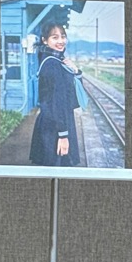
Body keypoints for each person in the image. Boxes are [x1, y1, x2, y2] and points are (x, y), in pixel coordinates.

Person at [28, 22, 82, 166]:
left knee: (52, 167)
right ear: (45, 40)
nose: (61, 41)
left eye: (63, 37)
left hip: (55, 123)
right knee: (57, 167)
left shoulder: (56, 61)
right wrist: (63, 135)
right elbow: (56, 103)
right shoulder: (52, 64)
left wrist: (76, 71)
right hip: (54, 127)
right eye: (55, 37)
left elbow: (72, 96)